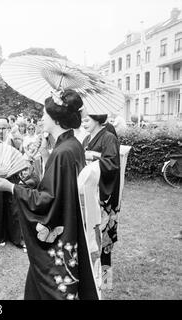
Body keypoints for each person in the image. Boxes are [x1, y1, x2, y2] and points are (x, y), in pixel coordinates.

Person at [0, 89, 98, 300]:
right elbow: (58, 188)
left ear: (56, 119)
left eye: (45, 113)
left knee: (48, 283)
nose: (41, 118)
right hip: (70, 221)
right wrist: (46, 155)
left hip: (60, 227)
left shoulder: (63, 152)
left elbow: (47, 200)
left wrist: (11, 188)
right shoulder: (71, 146)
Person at [82, 112, 121, 290]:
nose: (83, 122)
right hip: (89, 193)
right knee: (88, 235)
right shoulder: (86, 139)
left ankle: (106, 280)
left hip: (104, 194)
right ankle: (90, 274)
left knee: (105, 239)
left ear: (97, 119)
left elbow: (113, 164)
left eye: (87, 119)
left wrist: (93, 156)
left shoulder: (108, 137)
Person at [0, 118, 25, 250]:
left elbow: (21, 158)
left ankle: (16, 238)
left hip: (12, 178)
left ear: (8, 129)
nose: (1, 131)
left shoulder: (14, 141)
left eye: (3, 128)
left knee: (14, 206)